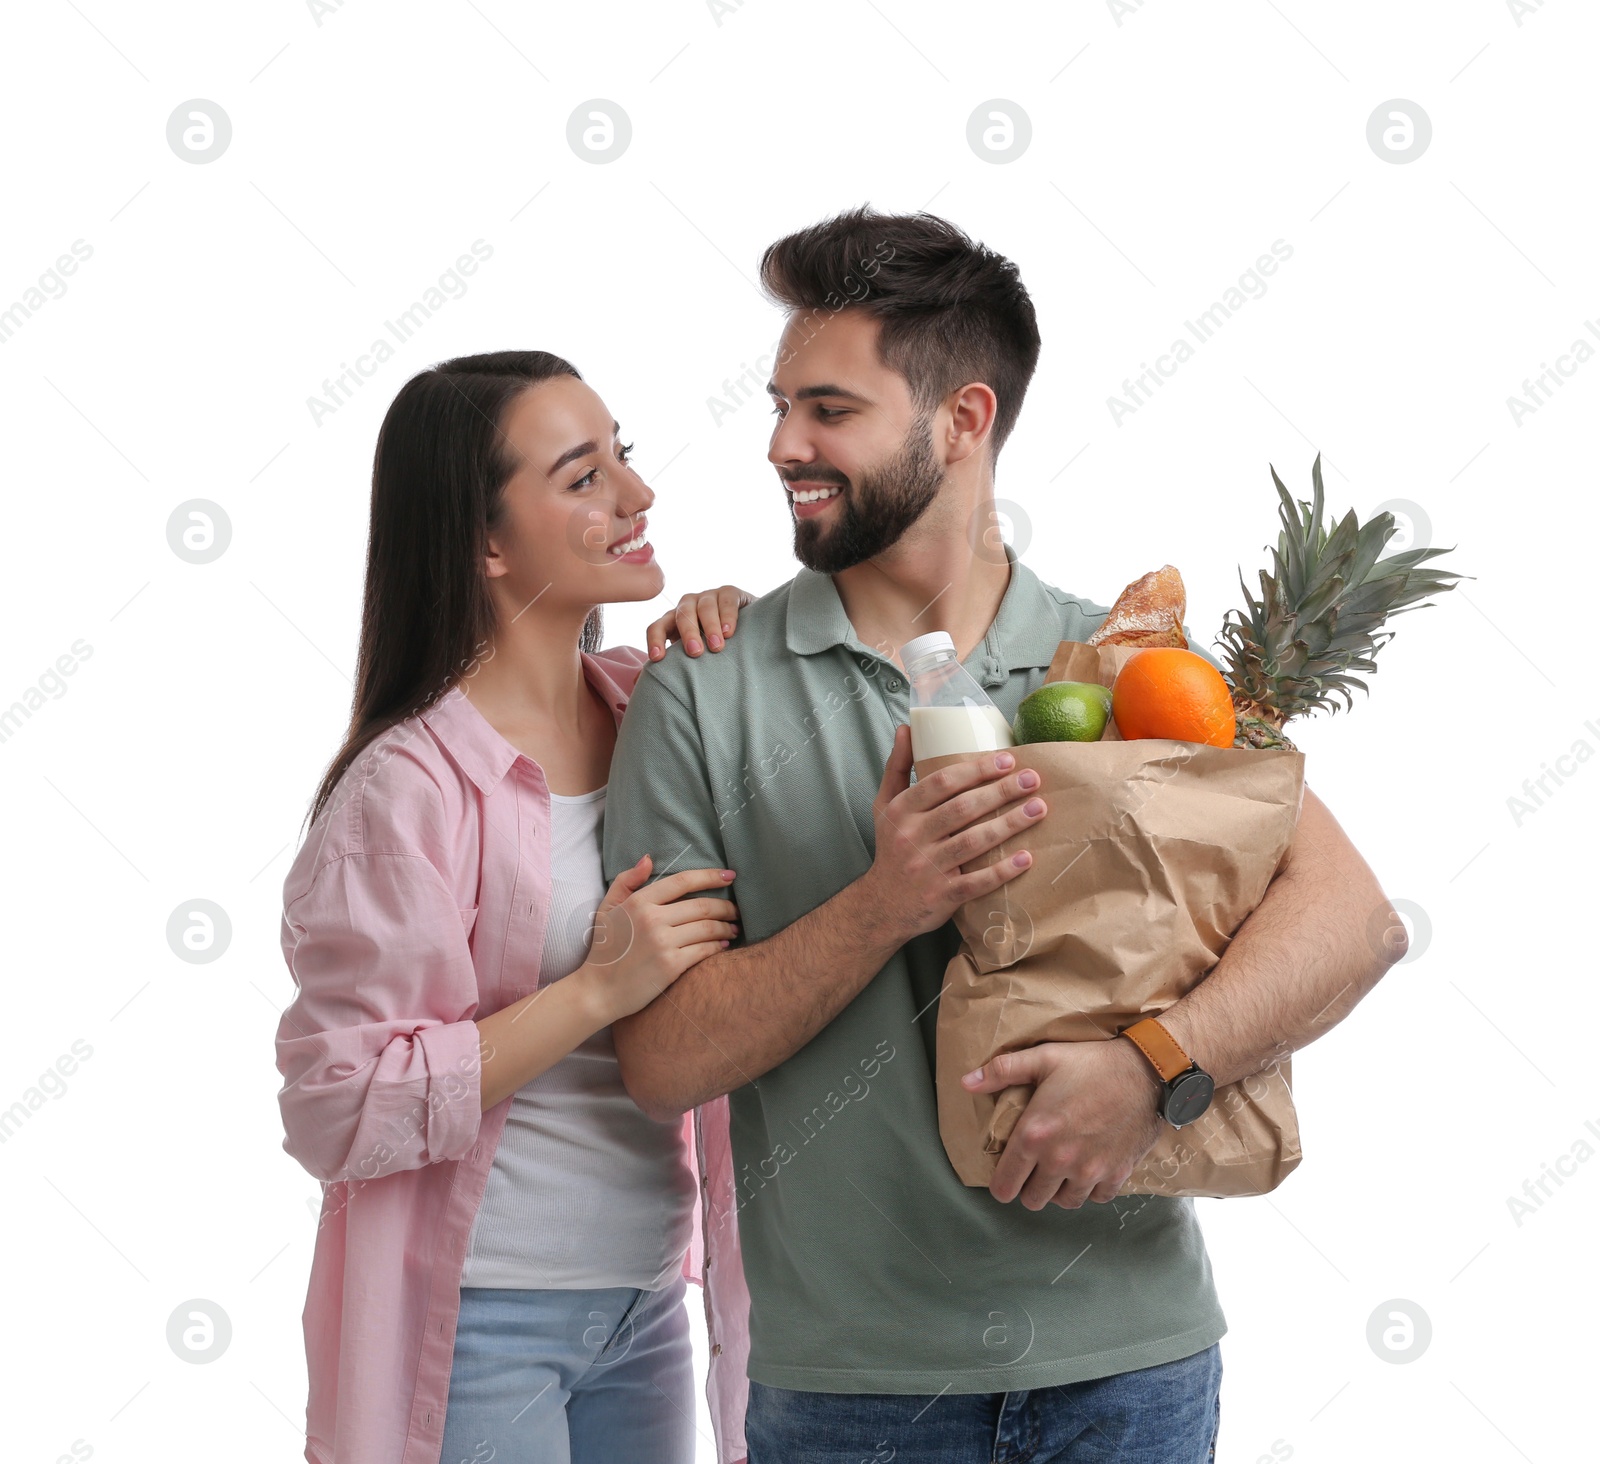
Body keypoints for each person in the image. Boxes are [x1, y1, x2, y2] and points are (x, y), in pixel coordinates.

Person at [601, 209, 1406, 1463]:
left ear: (963, 420)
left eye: (829, 410)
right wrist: (885, 898)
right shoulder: (702, 690)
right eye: (779, 405)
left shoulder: (1128, 665)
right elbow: (659, 1060)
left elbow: (1354, 920)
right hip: (851, 1394)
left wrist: (1155, 1065)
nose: (780, 444)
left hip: (1130, 1367)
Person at [274, 350, 763, 1464]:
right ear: (486, 543)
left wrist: (742, 647)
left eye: (622, 459)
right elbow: (338, 1106)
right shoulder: (406, 788)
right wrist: (599, 987)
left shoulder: (659, 707)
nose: (636, 497)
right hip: (483, 1315)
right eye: (582, 477)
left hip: (646, 1302)